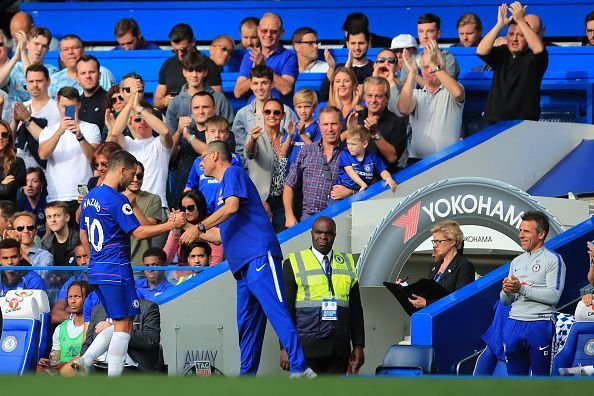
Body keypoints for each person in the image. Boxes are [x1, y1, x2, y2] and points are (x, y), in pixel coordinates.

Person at [179, 141, 315, 378]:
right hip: (242, 266)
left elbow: (231, 208)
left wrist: (199, 225)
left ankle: (301, 367)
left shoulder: (232, 172)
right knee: (247, 327)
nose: (200, 163)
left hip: (259, 254)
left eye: (202, 157)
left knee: (277, 310)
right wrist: (188, 227)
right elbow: (220, 236)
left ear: (214, 156)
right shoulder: (223, 189)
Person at [75, 150, 185, 377]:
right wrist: (171, 224)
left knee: (121, 321)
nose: (133, 179)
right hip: (116, 271)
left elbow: (83, 233)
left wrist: (94, 260)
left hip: (98, 270)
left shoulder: (90, 198)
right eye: (132, 174)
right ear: (122, 170)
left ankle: (85, 361)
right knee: (124, 327)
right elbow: (140, 232)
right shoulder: (116, 200)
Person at [281, 216, 364, 374]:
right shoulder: (294, 262)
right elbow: (286, 310)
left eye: (328, 233)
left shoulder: (347, 262)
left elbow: (356, 308)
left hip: (339, 348)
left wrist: (359, 345)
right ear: (312, 233)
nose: (323, 237)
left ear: (334, 235)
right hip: (306, 348)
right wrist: (286, 346)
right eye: (319, 232)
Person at [500, 211, 566, 376]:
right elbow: (505, 301)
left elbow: (554, 296)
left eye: (526, 231)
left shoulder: (553, 259)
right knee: (515, 381)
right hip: (513, 323)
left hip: (539, 324)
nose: (521, 235)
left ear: (541, 234)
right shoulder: (516, 261)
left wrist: (520, 289)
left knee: (541, 381)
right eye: (520, 230)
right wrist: (506, 291)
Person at [477, 2, 548, 123]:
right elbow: (481, 50)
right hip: (493, 124)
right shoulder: (502, 53)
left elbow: (539, 48)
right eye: (510, 34)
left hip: (524, 125)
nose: (514, 39)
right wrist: (500, 25)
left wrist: (520, 21)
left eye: (520, 35)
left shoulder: (534, 58)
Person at [398, 40, 465, 165]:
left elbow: (458, 93)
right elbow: (403, 108)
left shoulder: (451, 91)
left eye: (434, 66)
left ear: (442, 68)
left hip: (448, 161)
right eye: (426, 67)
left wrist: (435, 66)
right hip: (417, 162)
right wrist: (412, 73)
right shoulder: (417, 94)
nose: (430, 71)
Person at [284, 106, 351, 226]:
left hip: (337, 221)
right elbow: (289, 184)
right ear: (319, 125)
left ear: (341, 124)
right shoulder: (307, 151)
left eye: (334, 124)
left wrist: (352, 192)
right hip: (307, 221)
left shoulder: (350, 154)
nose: (329, 129)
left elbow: (367, 186)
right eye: (325, 124)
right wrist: (289, 215)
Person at [108, 90, 172, 209]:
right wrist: (131, 103)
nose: (142, 122)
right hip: (129, 205)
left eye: (146, 119)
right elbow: (115, 133)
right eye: (138, 119)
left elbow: (165, 131)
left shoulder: (160, 143)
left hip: (157, 205)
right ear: (130, 122)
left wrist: (139, 108)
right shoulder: (128, 142)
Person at [38, 87, 101, 209]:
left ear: (79, 105)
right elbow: (43, 155)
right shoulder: (48, 131)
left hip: (83, 193)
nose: (68, 110)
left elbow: (94, 159)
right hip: (56, 195)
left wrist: (80, 137)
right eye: (64, 107)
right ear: (57, 106)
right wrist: (59, 131)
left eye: (71, 107)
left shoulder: (91, 128)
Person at [71, 296, 163, 374]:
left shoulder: (147, 307)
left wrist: (115, 328)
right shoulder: (97, 309)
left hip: (132, 369)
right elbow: (87, 343)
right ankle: (87, 360)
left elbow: (152, 340)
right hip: (98, 367)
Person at [232, 65, 297, 166]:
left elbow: (294, 142)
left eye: (264, 83)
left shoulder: (287, 112)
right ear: (250, 85)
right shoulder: (242, 114)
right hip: (252, 172)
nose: (260, 88)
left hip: (282, 170)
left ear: (272, 84)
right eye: (255, 83)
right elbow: (239, 148)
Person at [405, 220, 475, 309]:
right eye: (434, 241)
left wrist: (427, 303)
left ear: (452, 242)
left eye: (438, 241)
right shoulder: (435, 266)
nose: (434, 245)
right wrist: (405, 289)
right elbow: (427, 294)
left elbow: (460, 299)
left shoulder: (464, 266)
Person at [245, 98, 291, 231]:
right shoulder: (256, 134)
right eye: (267, 112)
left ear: (283, 116)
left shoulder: (286, 137)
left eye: (276, 112)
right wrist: (253, 140)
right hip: (261, 200)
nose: (272, 115)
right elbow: (249, 153)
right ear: (262, 114)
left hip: (283, 201)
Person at [153, 23, 222, 111]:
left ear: (193, 42)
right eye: (175, 50)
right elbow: (156, 102)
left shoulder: (208, 64)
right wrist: (164, 101)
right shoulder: (168, 64)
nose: (180, 54)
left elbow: (218, 101)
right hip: (173, 115)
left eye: (183, 49)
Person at [234, 12, 298, 104]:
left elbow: (286, 89)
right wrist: (256, 74)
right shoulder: (249, 56)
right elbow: (238, 92)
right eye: (264, 31)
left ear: (281, 33)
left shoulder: (289, 56)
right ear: (258, 31)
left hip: (278, 113)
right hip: (252, 112)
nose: (268, 35)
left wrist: (263, 66)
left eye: (273, 31)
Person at [184, 115, 242, 216]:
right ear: (206, 134)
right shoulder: (198, 161)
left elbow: (236, 187)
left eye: (221, 131)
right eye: (212, 131)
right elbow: (189, 187)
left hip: (225, 211)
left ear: (227, 134)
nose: (217, 135)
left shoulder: (234, 159)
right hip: (203, 212)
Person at [165, 51, 234, 134]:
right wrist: (180, 130)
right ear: (184, 72)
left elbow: (230, 131)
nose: (194, 75)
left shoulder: (219, 99)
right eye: (190, 70)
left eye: (199, 71)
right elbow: (170, 140)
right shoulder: (175, 102)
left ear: (205, 72)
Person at [12, 64, 60, 170]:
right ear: (26, 84)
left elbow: (49, 140)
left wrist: (27, 120)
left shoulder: (57, 108)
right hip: (21, 168)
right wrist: (15, 122)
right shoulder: (21, 106)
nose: (35, 85)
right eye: (31, 81)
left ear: (48, 82)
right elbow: (9, 140)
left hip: (45, 170)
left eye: (39, 81)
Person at [357, 76, 407, 174]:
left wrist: (375, 133)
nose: (373, 100)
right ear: (364, 97)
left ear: (387, 98)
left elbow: (392, 157)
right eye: (369, 95)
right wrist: (349, 130)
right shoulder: (356, 117)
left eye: (378, 96)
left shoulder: (397, 122)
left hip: (382, 182)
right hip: (354, 178)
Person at [37, 280, 88, 375]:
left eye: (78, 297)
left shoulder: (91, 327)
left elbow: (88, 358)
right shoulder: (60, 328)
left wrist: (66, 365)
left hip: (79, 369)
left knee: (72, 367)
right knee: (38, 369)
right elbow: (55, 357)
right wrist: (49, 363)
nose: (73, 301)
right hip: (60, 370)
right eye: (70, 297)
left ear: (88, 299)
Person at [333, 126, 397, 197]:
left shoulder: (372, 157)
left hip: (360, 192)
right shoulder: (345, 154)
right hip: (341, 191)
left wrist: (389, 178)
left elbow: (383, 171)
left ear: (364, 144)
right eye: (348, 143)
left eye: (353, 144)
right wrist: (362, 184)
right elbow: (350, 171)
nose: (349, 147)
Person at [164, 189, 223, 267]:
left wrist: (185, 225)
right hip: (181, 275)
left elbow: (215, 263)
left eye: (190, 208)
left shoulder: (212, 228)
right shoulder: (179, 227)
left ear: (200, 207)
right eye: (183, 209)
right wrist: (175, 235)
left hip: (206, 275)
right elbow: (165, 260)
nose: (187, 212)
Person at [0, 27, 58, 104]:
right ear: (27, 44)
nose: (39, 49)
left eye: (44, 46)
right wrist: (15, 57)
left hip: (37, 113)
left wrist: (23, 52)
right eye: (36, 44)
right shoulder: (15, 66)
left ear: (47, 49)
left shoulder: (51, 71)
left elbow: (32, 76)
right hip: (14, 113)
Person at [400, 13, 460, 86]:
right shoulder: (410, 61)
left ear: (438, 33)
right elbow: (403, 92)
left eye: (430, 31)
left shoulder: (448, 59)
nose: (424, 36)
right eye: (421, 31)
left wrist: (414, 74)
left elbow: (446, 89)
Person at [49, 35, 115, 99]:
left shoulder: (103, 73)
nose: (70, 52)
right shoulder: (53, 80)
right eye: (66, 49)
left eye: (75, 48)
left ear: (83, 51)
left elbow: (110, 103)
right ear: (61, 56)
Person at [320, 28, 373, 102]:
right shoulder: (338, 68)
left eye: (361, 43)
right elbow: (324, 96)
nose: (357, 47)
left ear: (368, 43)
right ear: (347, 44)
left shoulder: (375, 69)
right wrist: (332, 67)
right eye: (353, 43)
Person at [125, 161, 163, 266]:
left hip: (141, 265)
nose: (136, 179)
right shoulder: (114, 198)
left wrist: (134, 206)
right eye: (133, 175)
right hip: (118, 265)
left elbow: (148, 229)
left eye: (139, 176)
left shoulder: (153, 199)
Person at [282, 89, 321, 170]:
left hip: (309, 171)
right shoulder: (293, 127)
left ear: (314, 106)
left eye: (306, 106)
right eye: (299, 107)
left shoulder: (318, 127)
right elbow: (283, 153)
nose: (303, 111)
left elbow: (317, 152)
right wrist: (289, 136)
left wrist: (303, 135)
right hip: (291, 171)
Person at [51, 243, 88, 325]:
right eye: (79, 257)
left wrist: (69, 310)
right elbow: (55, 315)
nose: (83, 262)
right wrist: (76, 318)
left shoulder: (105, 279)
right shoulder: (72, 281)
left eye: (86, 256)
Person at [8, 211, 53, 275]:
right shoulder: (6, 255)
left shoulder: (46, 255)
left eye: (30, 228)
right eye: (20, 228)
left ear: (36, 231)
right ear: (13, 232)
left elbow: (40, 276)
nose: (26, 231)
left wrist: (18, 246)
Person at [42, 201, 80, 268]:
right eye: (49, 217)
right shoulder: (46, 244)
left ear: (67, 217)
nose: (53, 220)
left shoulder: (79, 240)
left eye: (57, 216)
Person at [77, 55, 107, 131]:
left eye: (92, 72)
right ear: (77, 78)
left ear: (99, 75)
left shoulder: (110, 100)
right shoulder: (74, 103)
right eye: (83, 73)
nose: (88, 76)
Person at [17, 167, 48, 236]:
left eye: (34, 181)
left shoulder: (47, 201)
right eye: (26, 181)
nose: (29, 185)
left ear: (42, 184)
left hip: (45, 242)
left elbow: (48, 233)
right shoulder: (19, 202)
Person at [0, 119, 26, 201]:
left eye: (4, 135)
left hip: (6, 209)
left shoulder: (16, 162)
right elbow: (4, 190)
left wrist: (4, 188)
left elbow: (8, 191)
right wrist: (2, 186)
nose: (0, 138)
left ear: (9, 139)